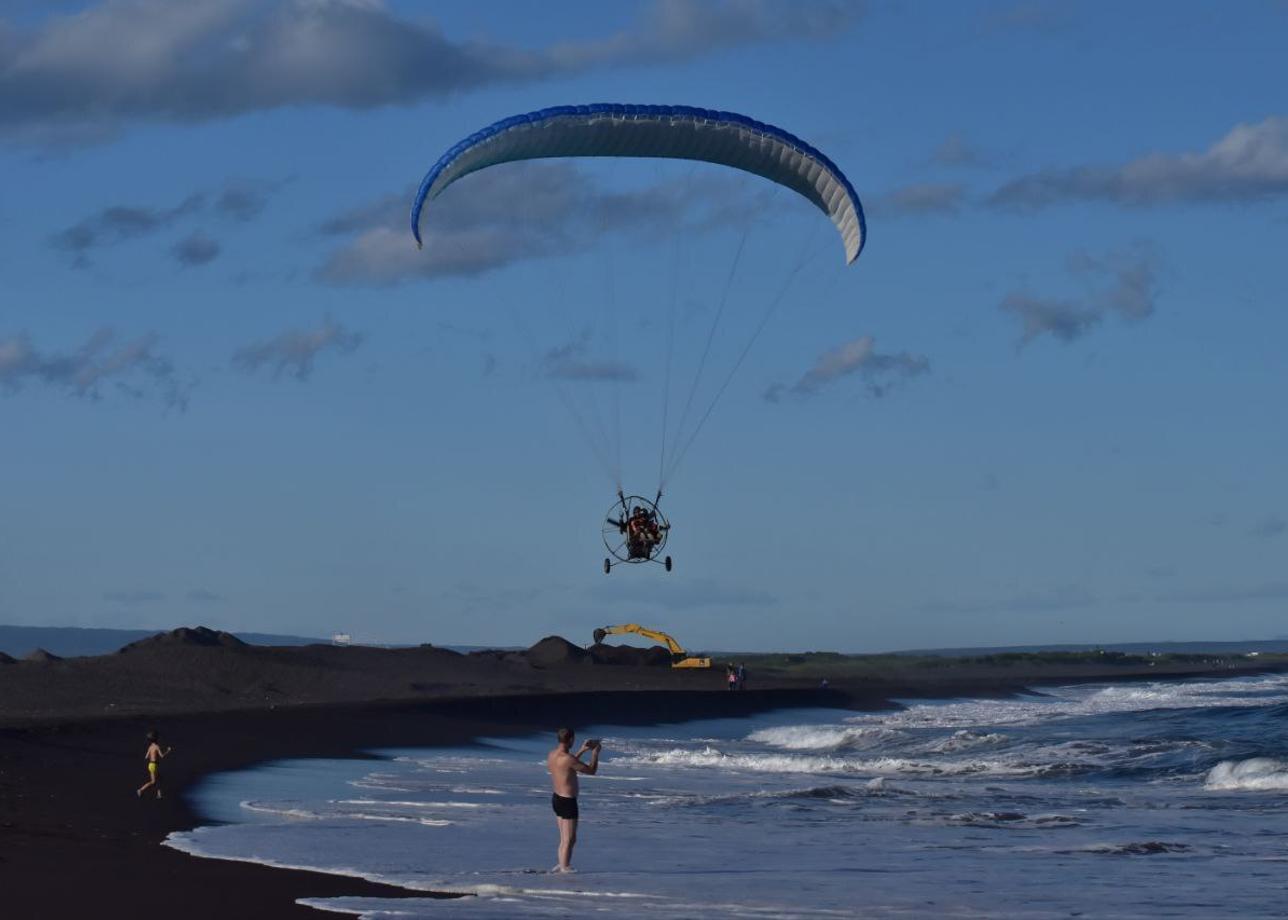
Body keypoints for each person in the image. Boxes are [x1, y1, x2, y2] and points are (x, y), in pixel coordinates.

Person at [546, 727, 601, 873]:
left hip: (556, 799)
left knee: (565, 838)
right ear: (571, 740)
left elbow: (568, 765)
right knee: (569, 839)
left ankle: (562, 864)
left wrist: (582, 750)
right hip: (567, 802)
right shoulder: (569, 759)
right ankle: (565, 868)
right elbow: (592, 770)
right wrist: (595, 753)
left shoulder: (552, 755)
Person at [136, 730, 172, 799]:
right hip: (154, 766)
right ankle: (140, 790)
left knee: (159, 779)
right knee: (153, 782)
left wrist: (152, 756)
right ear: (156, 739)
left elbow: (146, 757)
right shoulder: (157, 747)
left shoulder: (150, 747)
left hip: (150, 765)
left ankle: (159, 794)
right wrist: (168, 751)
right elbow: (162, 756)